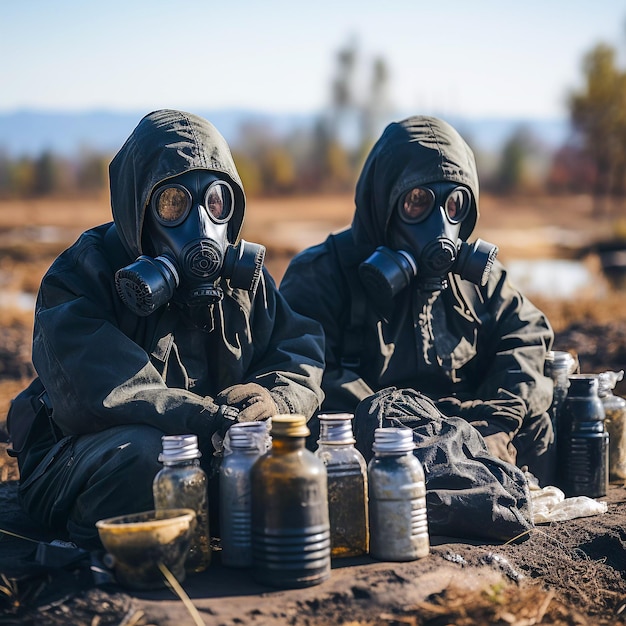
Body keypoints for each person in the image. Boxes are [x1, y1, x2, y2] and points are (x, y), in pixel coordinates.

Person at [6, 109, 325, 549]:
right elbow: (102, 392)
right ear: (138, 206)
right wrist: (213, 420)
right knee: (146, 456)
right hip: (85, 461)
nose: (201, 226)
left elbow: (299, 350)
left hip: (213, 449)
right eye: (173, 203)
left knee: (315, 449)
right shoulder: (81, 276)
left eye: (216, 202)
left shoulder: (243, 279)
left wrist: (276, 400)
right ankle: (94, 543)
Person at [280, 115, 555, 487]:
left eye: (454, 204)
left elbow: (527, 334)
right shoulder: (322, 274)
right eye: (417, 201)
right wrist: (428, 437)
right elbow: (307, 378)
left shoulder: (475, 277)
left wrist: (499, 423)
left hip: (474, 433)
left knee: (542, 414)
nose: (441, 228)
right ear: (383, 202)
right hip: (381, 445)